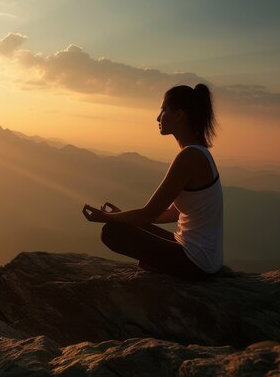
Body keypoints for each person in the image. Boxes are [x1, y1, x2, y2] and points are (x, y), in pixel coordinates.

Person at [82, 84, 223, 280]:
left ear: (180, 115)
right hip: (205, 258)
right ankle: (156, 263)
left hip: (195, 262)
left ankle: (161, 266)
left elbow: (147, 214)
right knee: (126, 225)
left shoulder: (188, 157)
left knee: (112, 232)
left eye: (163, 109)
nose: (158, 117)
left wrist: (106, 218)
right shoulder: (200, 153)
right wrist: (120, 215)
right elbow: (175, 212)